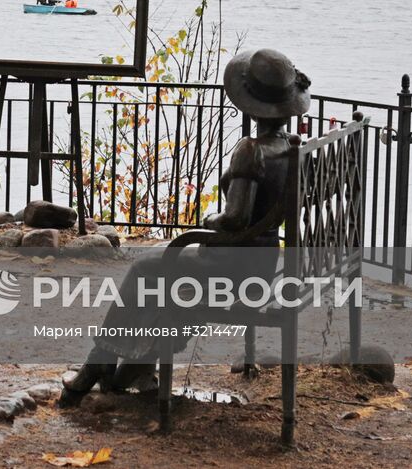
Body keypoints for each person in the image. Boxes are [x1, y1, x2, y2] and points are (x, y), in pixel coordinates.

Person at [59, 48, 309, 406]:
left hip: (233, 270)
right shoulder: (290, 147)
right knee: (167, 279)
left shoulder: (250, 150)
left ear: (250, 104)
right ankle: (134, 367)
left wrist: (208, 220)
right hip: (262, 264)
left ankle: (97, 365)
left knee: (146, 268)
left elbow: (234, 220)